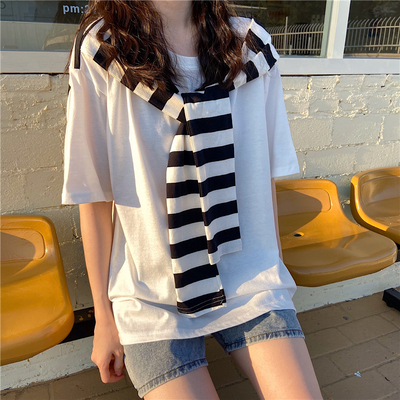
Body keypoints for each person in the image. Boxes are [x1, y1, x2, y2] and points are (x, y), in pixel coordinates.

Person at [62, 1, 323, 399]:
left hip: (249, 279)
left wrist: (277, 280)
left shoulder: (252, 49)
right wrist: (104, 318)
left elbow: (263, 177)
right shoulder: (103, 48)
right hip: (149, 296)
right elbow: (94, 197)